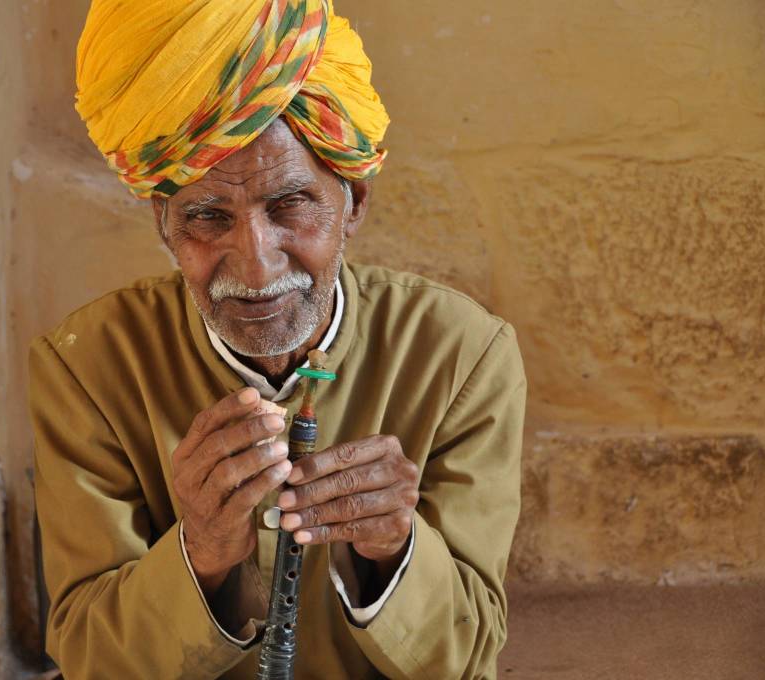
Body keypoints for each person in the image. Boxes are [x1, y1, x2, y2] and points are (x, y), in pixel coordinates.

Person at [27, 1, 526, 677]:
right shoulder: (87, 366)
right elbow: (89, 654)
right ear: (163, 223)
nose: (256, 265)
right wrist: (199, 551)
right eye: (207, 216)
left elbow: (468, 653)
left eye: (290, 206)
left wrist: (394, 549)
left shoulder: (463, 355)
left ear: (353, 204)